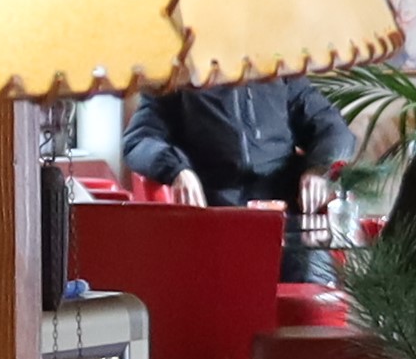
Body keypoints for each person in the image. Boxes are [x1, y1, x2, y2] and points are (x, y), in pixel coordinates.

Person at [122, 74, 357, 277]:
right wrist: (177, 170)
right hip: (215, 212)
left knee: (316, 281)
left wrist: (318, 168)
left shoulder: (278, 71)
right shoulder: (178, 78)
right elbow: (138, 140)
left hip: (287, 214)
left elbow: (333, 128)